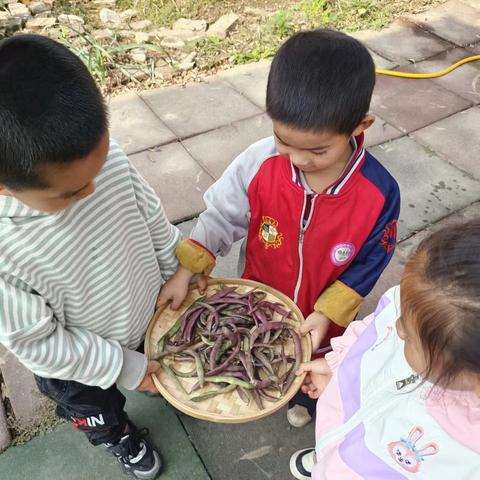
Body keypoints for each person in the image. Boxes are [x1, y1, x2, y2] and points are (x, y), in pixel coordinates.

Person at [159, 29, 400, 427]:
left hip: (324, 305)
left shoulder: (379, 191)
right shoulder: (261, 161)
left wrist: (328, 311)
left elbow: (375, 255)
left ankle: (304, 396)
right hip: (260, 290)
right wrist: (189, 267)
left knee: (315, 356)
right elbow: (223, 212)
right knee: (260, 345)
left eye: (318, 150)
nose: (297, 158)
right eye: (283, 140)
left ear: (360, 125)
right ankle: (272, 376)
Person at [0, 34, 181, 479]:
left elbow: (150, 216)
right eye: (70, 192)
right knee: (98, 409)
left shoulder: (106, 160)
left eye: (97, 170)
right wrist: (121, 366)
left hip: (143, 317)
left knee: (151, 368)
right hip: (78, 367)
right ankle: (120, 438)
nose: (92, 190)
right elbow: (40, 344)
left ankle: (149, 376)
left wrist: (174, 268)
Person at [290, 218, 480, 479]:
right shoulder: (424, 305)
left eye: (410, 337)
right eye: (400, 312)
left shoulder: (467, 453)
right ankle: (323, 457)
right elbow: (373, 329)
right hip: (340, 429)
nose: (398, 329)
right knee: (331, 453)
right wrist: (338, 364)